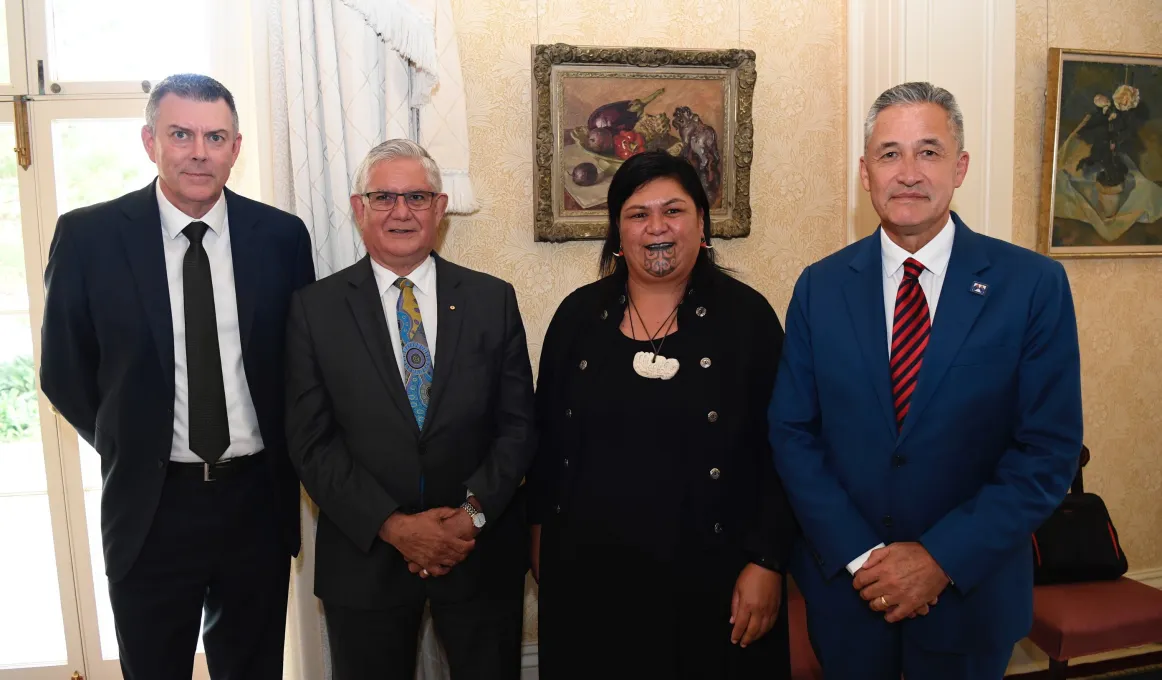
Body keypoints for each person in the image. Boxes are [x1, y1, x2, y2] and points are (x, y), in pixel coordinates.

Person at [769, 81, 1084, 679]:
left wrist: (941, 557)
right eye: (890, 153)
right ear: (866, 173)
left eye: (929, 152)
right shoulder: (819, 287)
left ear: (960, 167)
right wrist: (863, 559)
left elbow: (1047, 451)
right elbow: (792, 433)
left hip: (971, 598)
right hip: (849, 596)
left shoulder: (1032, 286)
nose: (908, 172)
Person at [39, 74, 316, 679]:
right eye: (181, 134)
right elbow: (64, 371)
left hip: (256, 502)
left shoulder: (282, 238)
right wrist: (132, 442)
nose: (199, 151)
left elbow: (301, 366)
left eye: (215, 136)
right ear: (150, 141)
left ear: (236, 147)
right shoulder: (89, 238)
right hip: (151, 506)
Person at [527, 151, 798, 679]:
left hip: (715, 577)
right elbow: (547, 442)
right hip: (592, 578)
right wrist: (539, 541)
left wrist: (768, 561)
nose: (657, 228)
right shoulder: (577, 317)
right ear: (616, 230)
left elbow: (784, 449)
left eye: (673, 211)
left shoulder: (748, 319)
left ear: (702, 223)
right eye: (637, 213)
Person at [285, 139, 535, 680]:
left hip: (478, 555)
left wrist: (468, 519)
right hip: (365, 559)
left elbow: (518, 426)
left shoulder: (493, 300)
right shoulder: (315, 309)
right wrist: (394, 527)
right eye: (384, 197)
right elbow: (311, 442)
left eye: (417, 197)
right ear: (359, 208)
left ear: (440, 208)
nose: (401, 211)